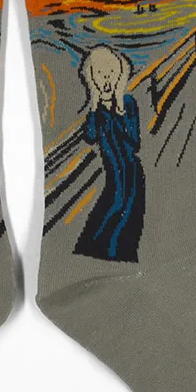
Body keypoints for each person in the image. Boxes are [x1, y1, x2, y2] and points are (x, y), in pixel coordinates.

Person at [74, 45, 145, 262]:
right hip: (113, 174)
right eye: (100, 74)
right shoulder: (98, 113)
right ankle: (93, 256)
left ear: (118, 74)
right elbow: (90, 136)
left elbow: (134, 142)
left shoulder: (128, 104)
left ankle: (119, 257)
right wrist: (95, 106)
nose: (105, 79)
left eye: (110, 73)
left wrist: (119, 111)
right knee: (110, 209)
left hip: (131, 172)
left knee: (126, 215)